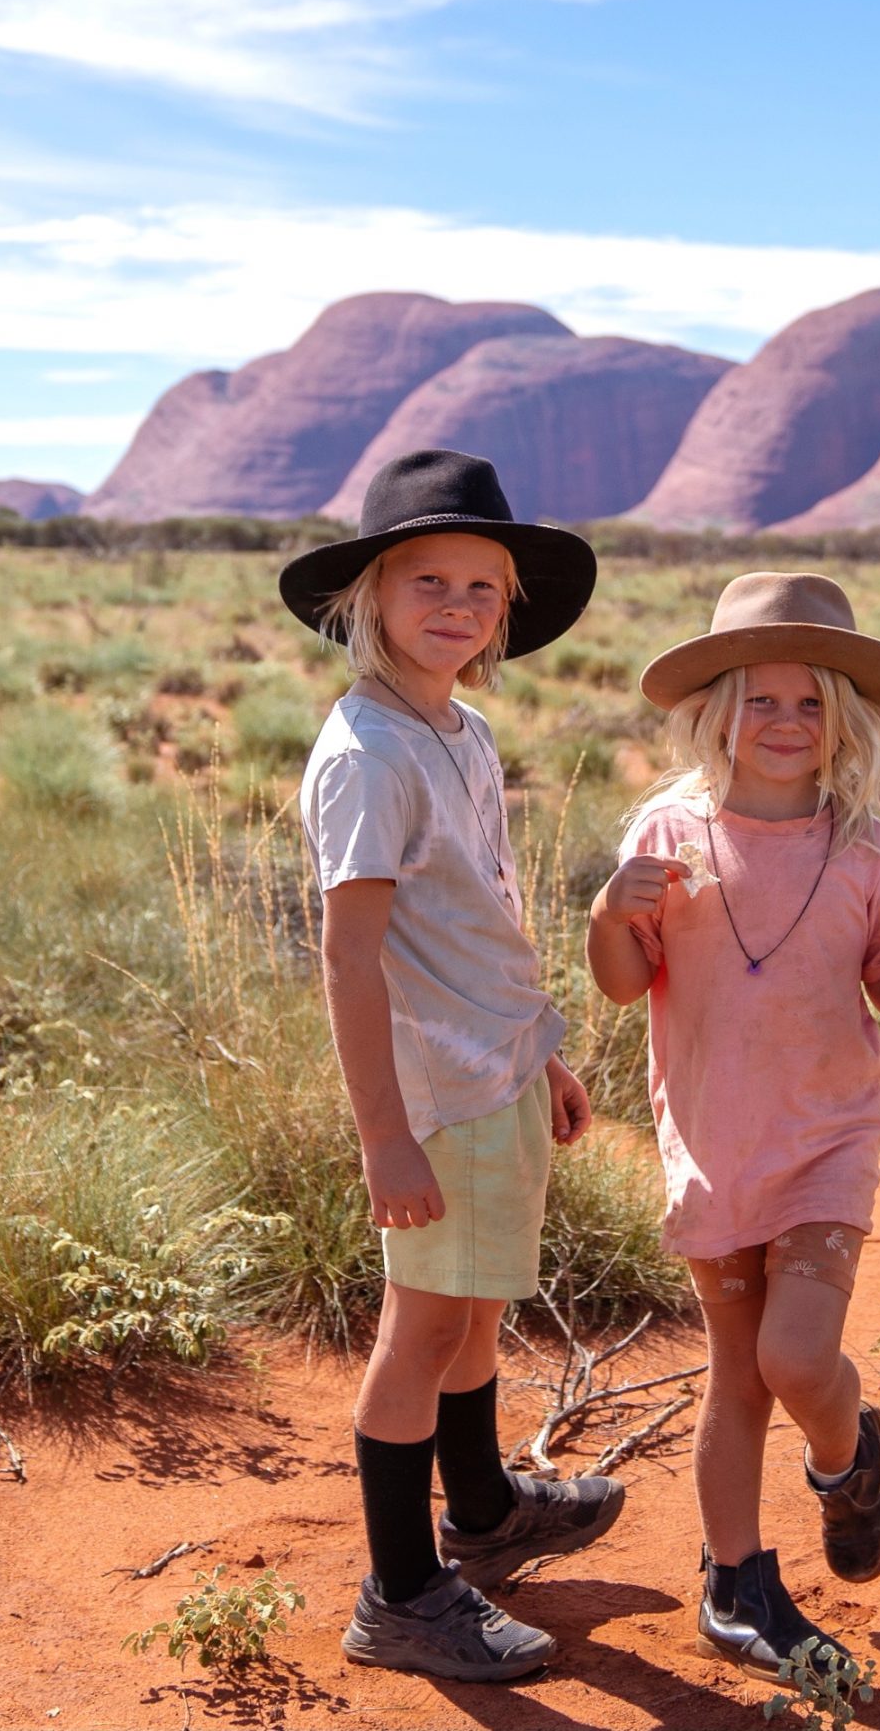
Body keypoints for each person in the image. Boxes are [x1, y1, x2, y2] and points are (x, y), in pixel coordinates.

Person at [585, 572, 880, 1685]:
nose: (785, 724)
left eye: (810, 704)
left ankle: (846, 1453)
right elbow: (624, 984)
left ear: (842, 722)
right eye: (760, 701)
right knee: (738, 1377)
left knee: (798, 1356)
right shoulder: (666, 834)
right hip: (714, 1140)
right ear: (716, 711)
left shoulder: (865, 848)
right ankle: (736, 1584)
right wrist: (605, 911)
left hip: (826, 1137)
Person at [279, 448, 624, 1684]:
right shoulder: (368, 752)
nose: (459, 606)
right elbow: (351, 955)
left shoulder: (460, 728)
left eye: (483, 587)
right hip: (433, 1093)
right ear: (367, 594)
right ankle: (402, 1592)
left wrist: (544, 1050)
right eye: (428, 578)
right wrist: (384, 1134)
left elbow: (483, 910)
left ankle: (482, 1512)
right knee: (424, 1323)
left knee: (475, 1302)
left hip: (497, 1069)